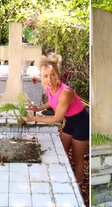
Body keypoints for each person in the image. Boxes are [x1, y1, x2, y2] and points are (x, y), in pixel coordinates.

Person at [22, 53, 89, 183]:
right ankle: (66, 178)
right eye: (46, 76)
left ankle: (77, 186)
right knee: (62, 153)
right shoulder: (49, 88)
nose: (50, 79)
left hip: (82, 123)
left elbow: (56, 119)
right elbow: (52, 102)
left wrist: (33, 119)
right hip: (70, 122)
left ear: (58, 74)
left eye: (53, 75)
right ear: (42, 77)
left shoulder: (65, 93)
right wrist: (38, 109)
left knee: (77, 159)